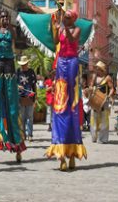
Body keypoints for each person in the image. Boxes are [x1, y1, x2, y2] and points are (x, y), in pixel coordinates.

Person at [46, 10, 87, 171]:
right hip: (61, 63)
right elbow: (56, 41)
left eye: (68, 17)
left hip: (72, 63)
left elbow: (72, 39)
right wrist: (56, 28)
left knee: (72, 106)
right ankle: (62, 154)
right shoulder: (63, 28)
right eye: (65, 17)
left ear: (73, 19)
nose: (65, 19)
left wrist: (64, 28)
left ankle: (72, 154)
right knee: (60, 105)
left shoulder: (76, 29)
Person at [0, 9, 25, 164]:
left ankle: (16, 144)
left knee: (12, 102)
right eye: (2, 17)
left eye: (7, 17)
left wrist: (11, 27)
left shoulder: (10, 30)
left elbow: (17, 40)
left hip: (9, 64)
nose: (5, 19)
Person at [87, 61, 114, 143]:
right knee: (93, 118)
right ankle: (94, 137)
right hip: (95, 99)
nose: (96, 70)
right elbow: (91, 85)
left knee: (104, 119)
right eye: (96, 68)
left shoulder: (107, 78)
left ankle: (103, 139)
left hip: (104, 100)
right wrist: (90, 89)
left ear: (102, 70)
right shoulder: (94, 76)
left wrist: (109, 96)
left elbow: (112, 88)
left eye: (98, 69)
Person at [17, 55, 37, 142]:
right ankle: (23, 134)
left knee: (30, 117)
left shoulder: (31, 72)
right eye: (22, 64)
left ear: (27, 63)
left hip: (30, 97)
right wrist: (18, 86)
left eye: (24, 64)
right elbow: (13, 83)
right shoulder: (17, 72)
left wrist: (35, 98)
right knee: (22, 117)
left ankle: (30, 134)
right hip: (20, 97)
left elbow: (34, 85)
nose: (23, 66)